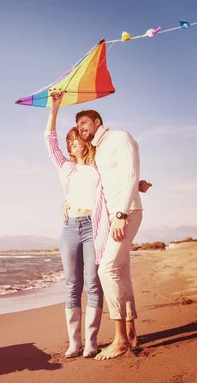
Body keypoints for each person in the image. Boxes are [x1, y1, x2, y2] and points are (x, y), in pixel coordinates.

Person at [45, 92, 151, 358]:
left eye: (76, 138)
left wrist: (136, 186)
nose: (72, 143)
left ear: (87, 134)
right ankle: (76, 342)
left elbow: (117, 180)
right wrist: (54, 110)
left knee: (96, 280)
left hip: (97, 224)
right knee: (73, 283)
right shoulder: (66, 169)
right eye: (69, 140)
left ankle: (93, 341)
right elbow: (50, 142)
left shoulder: (98, 164)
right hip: (71, 226)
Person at [74, 106, 145, 360]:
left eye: (84, 122)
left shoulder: (119, 137)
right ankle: (131, 331)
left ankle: (120, 340)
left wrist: (121, 214)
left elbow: (130, 172)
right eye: (78, 125)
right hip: (116, 216)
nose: (81, 128)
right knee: (121, 271)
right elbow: (117, 180)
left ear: (97, 121)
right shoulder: (100, 149)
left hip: (124, 215)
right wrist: (138, 186)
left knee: (106, 270)